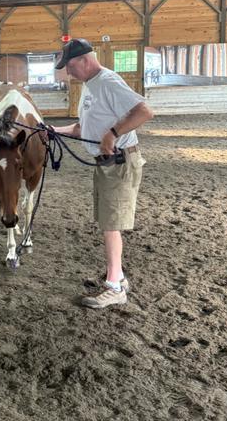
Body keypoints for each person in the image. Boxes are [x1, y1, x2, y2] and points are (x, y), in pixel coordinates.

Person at [52, 39, 154, 309]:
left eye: (71, 67)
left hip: (119, 162)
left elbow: (144, 111)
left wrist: (112, 134)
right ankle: (116, 274)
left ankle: (115, 287)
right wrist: (51, 129)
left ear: (85, 60)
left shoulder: (108, 82)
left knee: (111, 225)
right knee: (108, 223)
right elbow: (81, 127)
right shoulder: (90, 85)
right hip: (105, 163)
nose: (69, 73)